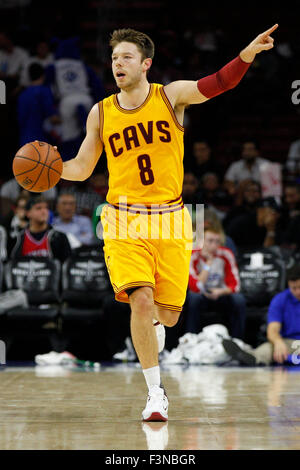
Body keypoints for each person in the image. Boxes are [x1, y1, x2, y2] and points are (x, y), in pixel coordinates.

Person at [55, 25, 278, 421]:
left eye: (125, 57)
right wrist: (54, 168)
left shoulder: (170, 95)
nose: (117, 64)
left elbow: (217, 84)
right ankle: (155, 393)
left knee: (169, 314)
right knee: (139, 300)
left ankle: (156, 326)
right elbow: (83, 166)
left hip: (173, 218)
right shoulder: (101, 111)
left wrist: (246, 54)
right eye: (113, 58)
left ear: (145, 63)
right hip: (123, 219)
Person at [222, 264, 300, 366]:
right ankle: (252, 358)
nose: (297, 292)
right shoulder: (280, 300)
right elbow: (273, 329)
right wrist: (278, 342)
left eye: (299, 287)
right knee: (268, 349)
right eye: (293, 288)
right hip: (289, 342)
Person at [186, 226, 246, 339]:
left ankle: (238, 340)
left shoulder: (226, 254)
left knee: (239, 300)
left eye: (217, 241)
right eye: (210, 241)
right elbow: (195, 286)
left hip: (221, 294)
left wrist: (220, 291)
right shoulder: (193, 255)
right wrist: (208, 263)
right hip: (202, 295)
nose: (214, 245)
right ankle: (190, 338)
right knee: (193, 298)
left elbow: (236, 285)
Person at [9, 195, 72, 263]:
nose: (44, 211)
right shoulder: (17, 239)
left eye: (46, 208)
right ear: (28, 213)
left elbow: (66, 266)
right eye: (39, 208)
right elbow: (10, 265)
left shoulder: (60, 237)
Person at [17, 62, 60, 147]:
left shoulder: (22, 95)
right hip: (40, 142)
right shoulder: (44, 91)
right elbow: (53, 119)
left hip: (24, 144)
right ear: (43, 75)